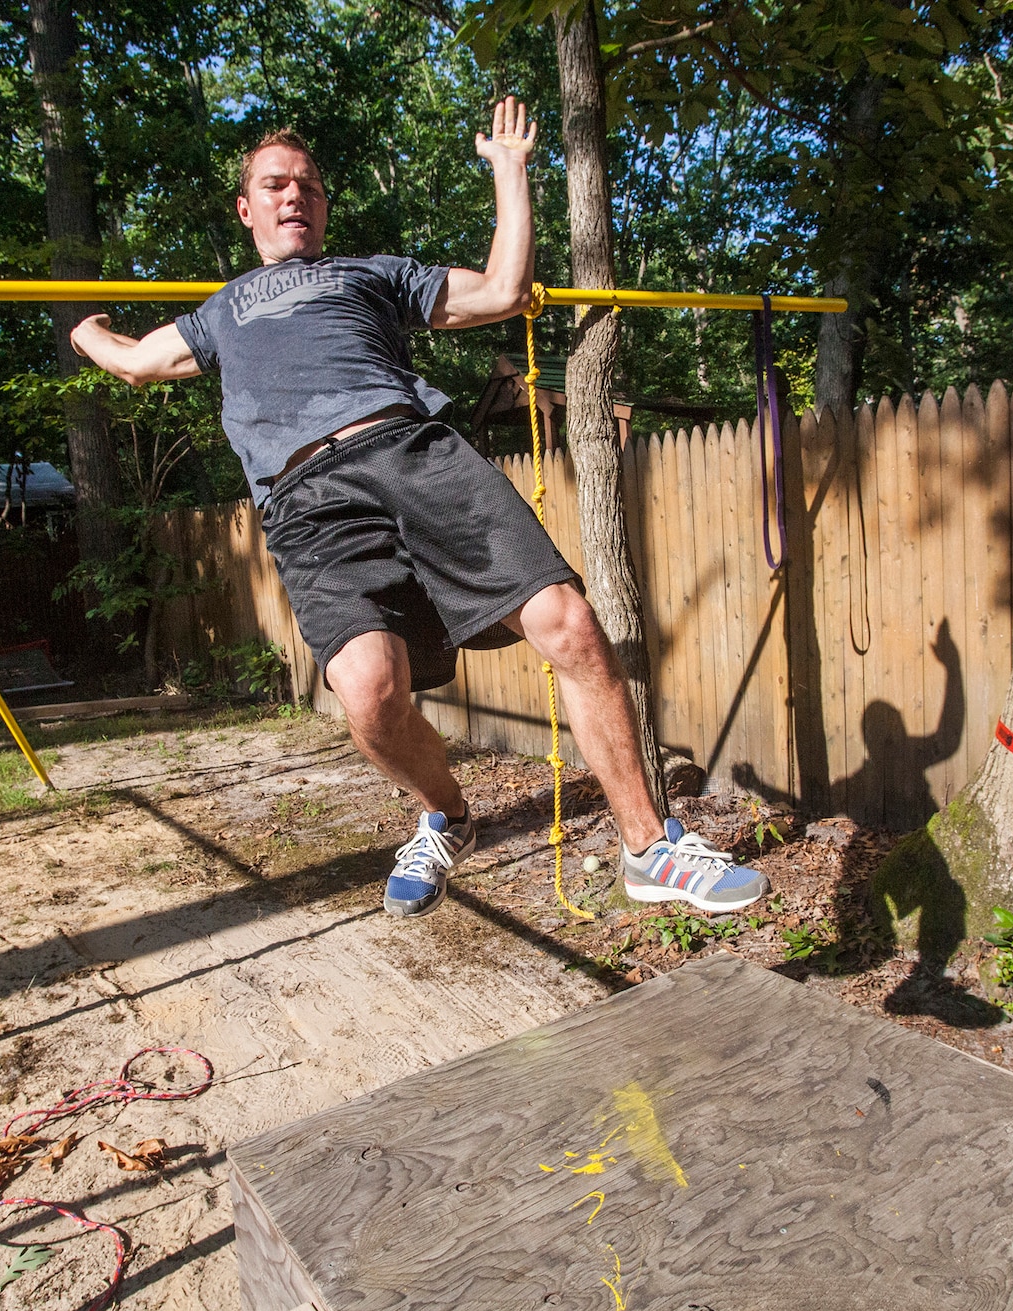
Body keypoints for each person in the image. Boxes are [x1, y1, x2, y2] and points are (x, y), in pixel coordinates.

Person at [71, 98, 767, 919]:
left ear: (324, 205)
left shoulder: (369, 273)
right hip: (307, 502)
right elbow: (138, 363)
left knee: (571, 625)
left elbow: (504, 288)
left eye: (307, 184)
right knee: (367, 692)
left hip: (413, 454)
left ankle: (650, 848)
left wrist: (511, 172)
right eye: (273, 184)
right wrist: (86, 331)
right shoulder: (220, 311)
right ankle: (447, 816)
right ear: (247, 207)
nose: (293, 195)